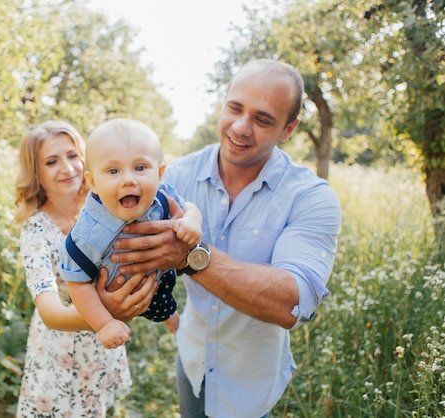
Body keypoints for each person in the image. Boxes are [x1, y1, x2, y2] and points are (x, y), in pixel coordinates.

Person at [108, 59, 342, 418]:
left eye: (263, 119)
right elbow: (128, 244)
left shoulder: (311, 197)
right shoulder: (176, 177)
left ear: (289, 129)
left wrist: (189, 256)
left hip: (252, 384)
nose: (240, 127)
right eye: (234, 108)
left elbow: (293, 302)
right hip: (193, 362)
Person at [14, 120, 156, 417]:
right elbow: (49, 311)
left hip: (101, 345)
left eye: (72, 156)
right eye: (51, 161)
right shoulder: (37, 230)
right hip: (62, 347)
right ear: (36, 174)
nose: (67, 168)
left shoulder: (109, 206)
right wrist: (106, 315)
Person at [59, 118, 203, 349]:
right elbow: (77, 284)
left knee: (163, 301)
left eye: (140, 168)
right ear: (93, 182)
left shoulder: (162, 196)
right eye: (113, 170)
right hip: (108, 296)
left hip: (156, 278)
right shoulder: (88, 234)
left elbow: (188, 207)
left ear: (159, 173)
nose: (128, 179)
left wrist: (191, 221)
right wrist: (105, 324)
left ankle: (169, 315)